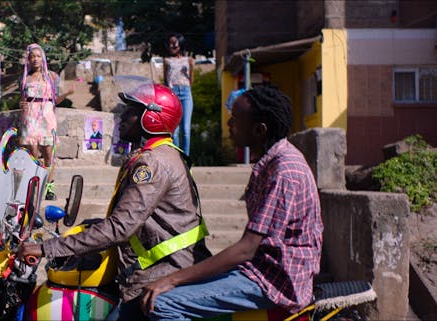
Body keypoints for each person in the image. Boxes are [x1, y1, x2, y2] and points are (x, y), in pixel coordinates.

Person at [18, 83, 211, 321]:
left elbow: (120, 228)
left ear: (150, 118)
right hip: (165, 269)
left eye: (130, 110)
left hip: (162, 276)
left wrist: (46, 248)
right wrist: (94, 226)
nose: (121, 116)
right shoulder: (164, 154)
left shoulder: (152, 163)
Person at [140, 86, 323, 321]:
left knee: (162, 304)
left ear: (259, 130)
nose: (229, 124)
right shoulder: (272, 162)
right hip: (260, 269)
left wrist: (173, 279)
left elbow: (247, 248)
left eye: (236, 119)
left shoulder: (285, 171)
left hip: (276, 281)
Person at [19, 43, 73, 200]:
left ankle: (49, 187)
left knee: (48, 153)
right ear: (29, 60)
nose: (35, 59)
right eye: (32, 57)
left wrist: (68, 93)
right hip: (30, 117)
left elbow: (56, 99)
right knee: (33, 152)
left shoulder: (52, 77)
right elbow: (22, 99)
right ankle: (34, 184)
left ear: (43, 59)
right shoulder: (25, 78)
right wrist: (21, 105)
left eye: (38, 56)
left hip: (47, 115)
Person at [163, 33, 195, 156]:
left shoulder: (188, 60)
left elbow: (191, 82)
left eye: (174, 43)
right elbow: (166, 80)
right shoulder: (167, 61)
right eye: (169, 44)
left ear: (180, 44)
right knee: (174, 131)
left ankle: (186, 158)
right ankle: (176, 157)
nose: (171, 46)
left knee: (186, 130)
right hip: (173, 94)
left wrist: (192, 69)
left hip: (186, 93)